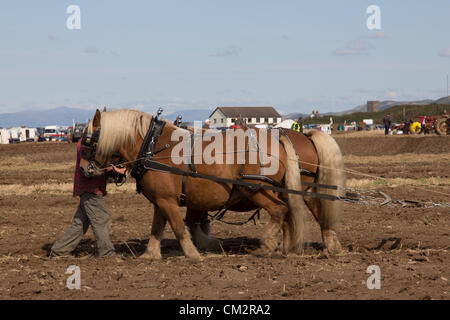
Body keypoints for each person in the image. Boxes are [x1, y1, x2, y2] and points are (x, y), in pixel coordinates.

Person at [50, 139, 126, 258]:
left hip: (87, 187)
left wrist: (111, 168)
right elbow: (91, 167)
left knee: (80, 223)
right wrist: (112, 169)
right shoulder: (88, 143)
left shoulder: (86, 141)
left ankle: (60, 250)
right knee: (102, 218)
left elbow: (97, 162)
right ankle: (107, 253)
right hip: (90, 188)